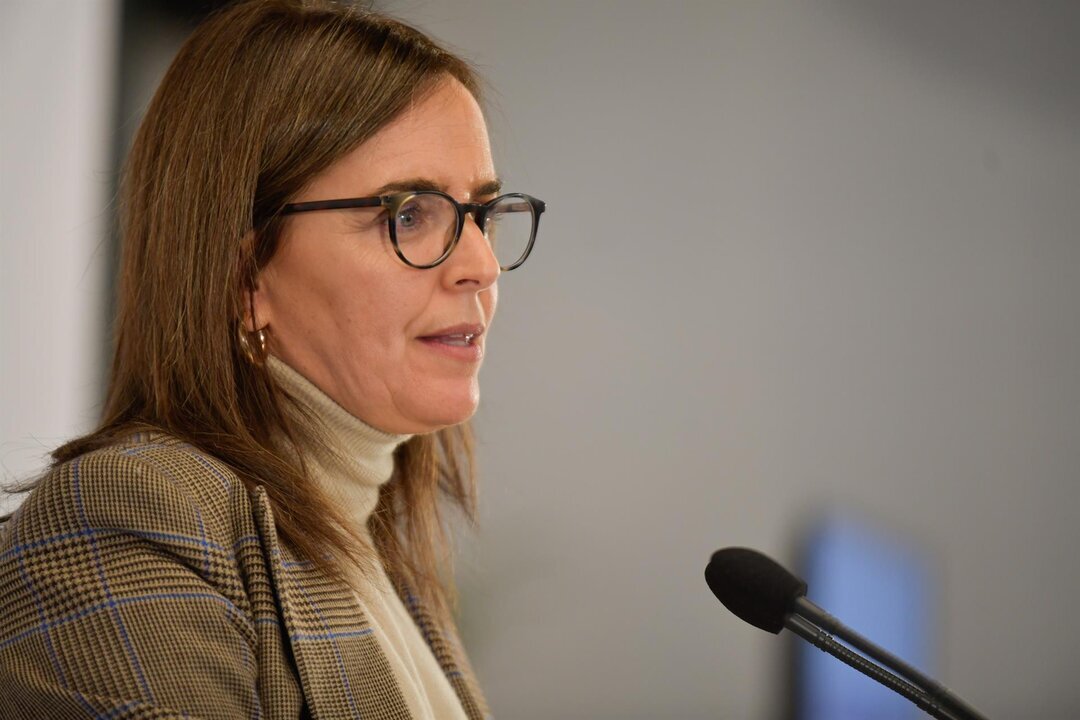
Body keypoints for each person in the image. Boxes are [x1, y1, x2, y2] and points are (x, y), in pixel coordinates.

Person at [0, 1, 544, 718]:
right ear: (245, 277)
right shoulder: (126, 514)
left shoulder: (371, 544)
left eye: (483, 214)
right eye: (409, 214)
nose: (481, 265)